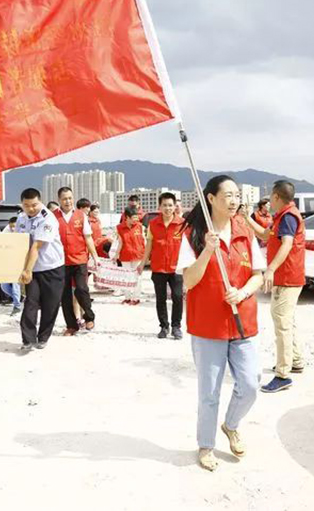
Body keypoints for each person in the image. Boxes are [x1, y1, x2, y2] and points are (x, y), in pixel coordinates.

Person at [177, 175, 265, 472]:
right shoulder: (193, 235)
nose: (234, 200)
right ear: (211, 199)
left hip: (242, 322)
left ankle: (231, 424)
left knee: (251, 383)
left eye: (237, 194)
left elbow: (258, 274)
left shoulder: (245, 230)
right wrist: (207, 250)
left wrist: (242, 292)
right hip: (208, 326)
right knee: (209, 392)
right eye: (227, 195)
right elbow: (188, 280)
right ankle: (205, 445)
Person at [248, 181, 306, 393]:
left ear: (276, 197)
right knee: (287, 321)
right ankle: (295, 360)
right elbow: (265, 235)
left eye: (270, 197)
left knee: (281, 323)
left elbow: (287, 244)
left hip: (287, 277)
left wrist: (270, 269)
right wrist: (247, 219)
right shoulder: (283, 216)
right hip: (288, 276)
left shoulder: (288, 217)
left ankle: (283, 375)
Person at [16, 188, 66, 350]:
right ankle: (28, 340)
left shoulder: (48, 218)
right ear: (22, 204)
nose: (31, 209)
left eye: (34, 205)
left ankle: (43, 337)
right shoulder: (21, 219)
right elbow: (18, 244)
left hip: (52, 267)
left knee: (50, 305)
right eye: (26, 205)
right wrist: (23, 269)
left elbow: (36, 246)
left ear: (41, 202)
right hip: (32, 269)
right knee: (30, 302)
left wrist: (27, 270)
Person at [138, 192, 185, 339]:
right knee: (161, 298)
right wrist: (142, 262)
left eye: (170, 205)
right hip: (158, 267)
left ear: (175, 206)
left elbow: (187, 246)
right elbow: (149, 244)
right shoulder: (153, 224)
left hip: (176, 268)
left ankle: (176, 326)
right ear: (159, 206)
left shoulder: (182, 223)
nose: (167, 208)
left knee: (177, 297)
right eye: (164, 205)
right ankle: (164, 327)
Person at [56, 187, 99, 335]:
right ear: (59, 200)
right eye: (64, 199)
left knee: (82, 289)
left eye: (69, 198)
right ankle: (72, 325)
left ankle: (89, 317)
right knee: (65, 295)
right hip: (60, 262)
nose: (67, 201)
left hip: (79, 259)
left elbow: (88, 237)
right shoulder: (53, 216)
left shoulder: (81, 215)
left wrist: (95, 256)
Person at [115, 206, 146, 305]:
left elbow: (144, 241)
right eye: (133, 218)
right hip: (125, 256)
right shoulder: (119, 228)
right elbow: (120, 242)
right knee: (126, 277)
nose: (135, 220)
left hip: (138, 255)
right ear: (127, 217)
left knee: (137, 277)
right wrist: (116, 254)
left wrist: (146, 255)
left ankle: (136, 298)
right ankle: (127, 297)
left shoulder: (140, 227)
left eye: (137, 218)